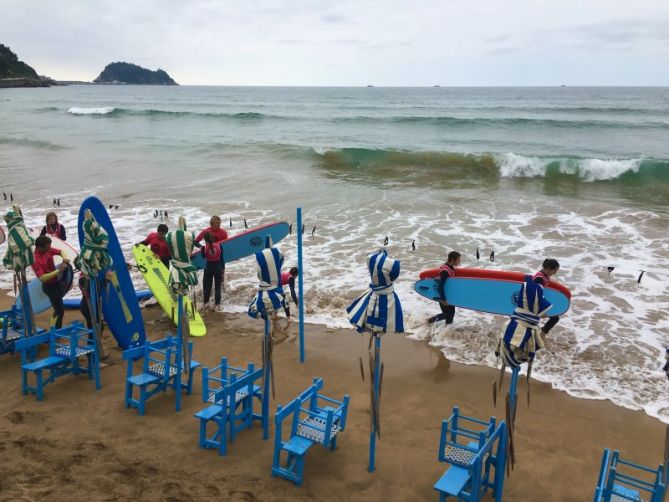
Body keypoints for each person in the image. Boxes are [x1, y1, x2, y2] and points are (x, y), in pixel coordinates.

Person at [32, 235, 70, 329]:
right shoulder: (35, 260)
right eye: (47, 247)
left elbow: (61, 251)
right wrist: (58, 270)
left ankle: (54, 329)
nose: (50, 248)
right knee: (60, 310)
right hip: (49, 286)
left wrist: (64, 258)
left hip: (56, 283)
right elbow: (42, 278)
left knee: (58, 309)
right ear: (40, 247)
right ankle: (55, 331)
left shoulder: (47, 249)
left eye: (50, 246)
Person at [428, 251, 461, 325]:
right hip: (443, 295)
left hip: (449, 295)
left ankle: (447, 331)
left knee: (451, 314)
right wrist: (443, 299)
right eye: (458, 260)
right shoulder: (445, 271)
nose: (459, 262)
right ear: (453, 259)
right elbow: (440, 286)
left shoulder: (451, 268)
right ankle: (429, 321)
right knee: (446, 314)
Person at [532, 258, 561, 335]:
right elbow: (535, 295)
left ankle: (543, 332)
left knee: (555, 318)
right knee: (555, 318)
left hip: (540, 300)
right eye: (555, 271)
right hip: (534, 302)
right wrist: (541, 311)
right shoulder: (539, 278)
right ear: (548, 268)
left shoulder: (545, 275)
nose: (555, 273)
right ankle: (542, 333)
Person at [201, 232, 224, 312]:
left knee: (208, 287)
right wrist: (222, 269)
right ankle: (217, 305)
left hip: (208, 268)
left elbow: (203, 256)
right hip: (218, 267)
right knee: (218, 287)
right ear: (213, 238)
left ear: (205, 240)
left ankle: (206, 303)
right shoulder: (219, 246)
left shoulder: (204, 247)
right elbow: (221, 258)